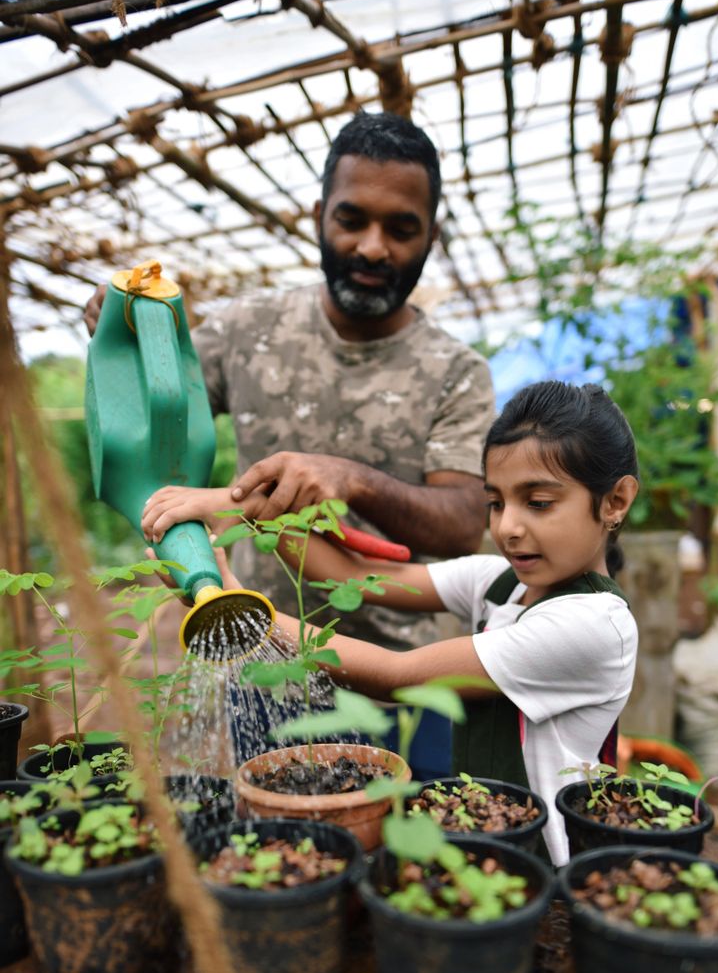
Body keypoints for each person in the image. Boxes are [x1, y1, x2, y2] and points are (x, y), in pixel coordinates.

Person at [87, 111, 495, 774]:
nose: (371, 247)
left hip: (405, 685)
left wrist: (353, 478)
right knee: (286, 850)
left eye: (401, 228)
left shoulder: (456, 372)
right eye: (352, 218)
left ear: (431, 237)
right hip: (268, 668)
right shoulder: (249, 329)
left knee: (405, 859)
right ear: (318, 215)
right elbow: (164, 413)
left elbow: (462, 523)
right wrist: (123, 341)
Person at [143, 380, 641, 865]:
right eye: (496, 502)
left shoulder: (592, 624)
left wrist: (239, 611)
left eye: (538, 503)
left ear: (615, 501)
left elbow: (396, 674)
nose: (508, 526)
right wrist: (253, 508)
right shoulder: (500, 582)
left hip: (547, 869)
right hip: (484, 844)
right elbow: (358, 574)